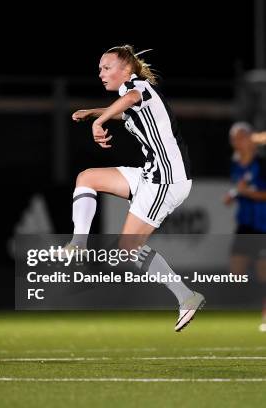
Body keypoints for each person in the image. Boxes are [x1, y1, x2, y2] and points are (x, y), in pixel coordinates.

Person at [68, 45, 204, 332]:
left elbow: (131, 98)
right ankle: (78, 244)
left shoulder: (136, 87)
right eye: (100, 68)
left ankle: (186, 297)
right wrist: (95, 112)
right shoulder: (132, 97)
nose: (101, 73)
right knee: (86, 178)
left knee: (129, 247)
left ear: (126, 70)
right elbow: (127, 109)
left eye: (106, 67)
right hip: (150, 174)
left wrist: (101, 119)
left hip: (167, 180)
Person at [222, 121, 266, 331]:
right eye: (234, 139)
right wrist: (233, 195)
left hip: (263, 225)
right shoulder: (236, 164)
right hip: (245, 225)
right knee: (235, 273)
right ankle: (248, 305)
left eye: (240, 137)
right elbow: (238, 189)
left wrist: (245, 192)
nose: (236, 142)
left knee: (263, 274)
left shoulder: (262, 164)